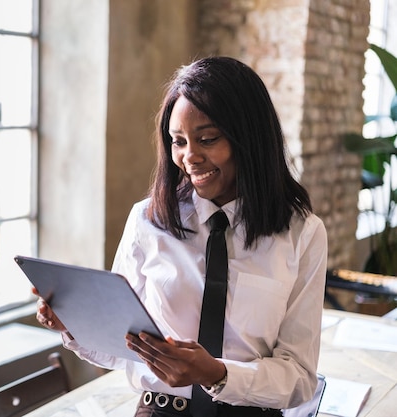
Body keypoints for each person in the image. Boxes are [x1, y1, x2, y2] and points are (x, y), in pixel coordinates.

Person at [34, 56, 328, 417]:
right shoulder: (148, 220)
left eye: (207, 139)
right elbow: (124, 348)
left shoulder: (303, 233)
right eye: (178, 142)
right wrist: (76, 324)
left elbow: (299, 378)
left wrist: (218, 375)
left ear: (249, 138)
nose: (190, 157)